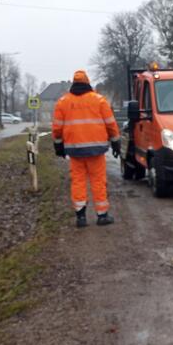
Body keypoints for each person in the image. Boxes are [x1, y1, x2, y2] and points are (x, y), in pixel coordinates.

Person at [52, 70, 121, 228]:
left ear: (73, 84)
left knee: (78, 181)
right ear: (88, 83)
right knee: (98, 181)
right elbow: (111, 123)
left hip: (75, 150)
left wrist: (58, 145)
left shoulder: (63, 102)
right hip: (96, 149)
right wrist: (116, 142)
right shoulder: (99, 100)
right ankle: (102, 215)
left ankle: (81, 217)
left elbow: (57, 128)